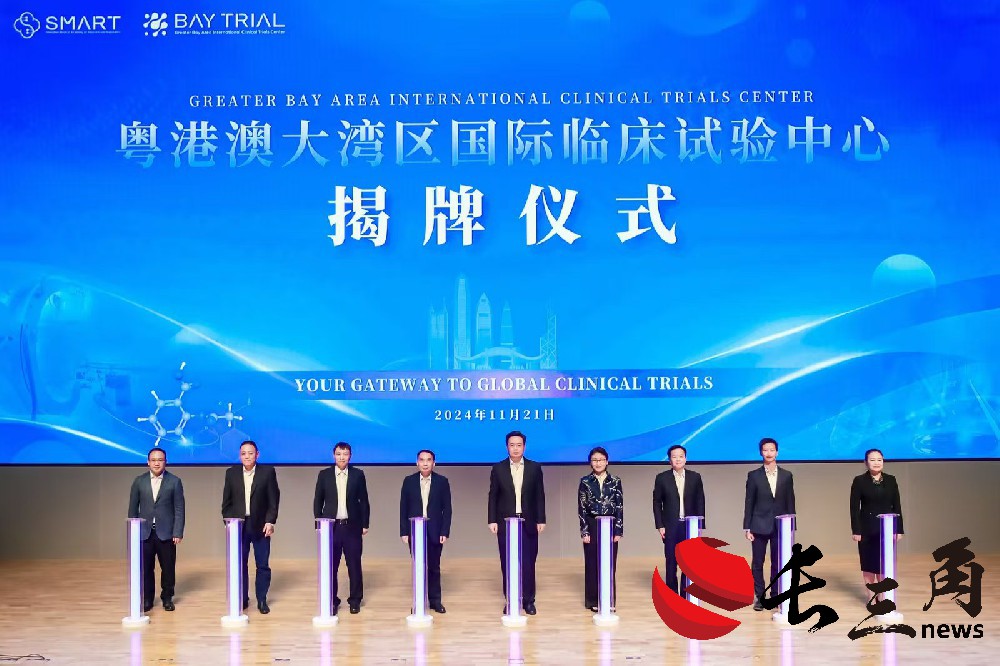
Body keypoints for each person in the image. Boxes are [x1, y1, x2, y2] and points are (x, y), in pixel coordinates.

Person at [487, 430, 546, 615]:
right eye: (512, 445)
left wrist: (541, 519)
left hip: (528, 521)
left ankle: (528, 601)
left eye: (519, 445)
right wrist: (492, 520)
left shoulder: (534, 467)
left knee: (528, 563)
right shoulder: (498, 468)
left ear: (524, 447)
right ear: (507, 447)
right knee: (508, 563)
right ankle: (511, 599)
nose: (515, 449)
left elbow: (539, 495)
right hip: (506, 523)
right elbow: (493, 496)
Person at [221, 440, 280, 614]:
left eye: (250, 453)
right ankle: (243, 599)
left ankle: (261, 599)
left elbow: (273, 500)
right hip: (239, 526)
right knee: (240, 564)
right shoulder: (231, 473)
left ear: (257, 454)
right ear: (240, 455)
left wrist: (270, 521)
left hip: (261, 526)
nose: (247, 456)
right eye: (243, 453)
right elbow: (226, 503)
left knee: (262, 565)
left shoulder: (267, 472)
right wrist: (229, 523)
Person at [314, 441, 370, 614]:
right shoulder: (324, 475)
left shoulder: (358, 474)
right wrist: (319, 524)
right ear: (334, 455)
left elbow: (364, 501)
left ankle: (355, 600)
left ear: (350, 456)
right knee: (331, 565)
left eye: (345, 454)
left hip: (352, 526)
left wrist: (365, 524)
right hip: (331, 528)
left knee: (354, 565)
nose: (342, 457)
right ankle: (332, 600)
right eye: (339, 454)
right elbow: (318, 501)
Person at [128, 446, 185, 612]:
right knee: (146, 568)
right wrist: (133, 532)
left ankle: (167, 598)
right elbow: (132, 509)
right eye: (153, 460)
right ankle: (147, 599)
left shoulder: (174, 481)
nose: (157, 463)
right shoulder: (139, 481)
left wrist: (177, 532)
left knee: (168, 568)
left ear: (166, 462)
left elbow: (179, 509)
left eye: (160, 460)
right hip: (144, 533)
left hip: (166, 533)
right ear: (148, 462)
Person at [743, 437, 795, 611]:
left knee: (778, 562)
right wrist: (747, 527)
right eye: (765, 450)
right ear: (761, 452)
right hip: (758, 525)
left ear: (777, 452)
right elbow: (749, 502)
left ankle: (775, 595)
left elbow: (790, 502)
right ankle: (760, 596)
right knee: (758, 562)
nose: (769, 453)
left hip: (780, 526)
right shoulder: (753, 475)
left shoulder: (787, 475)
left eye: (772, 450)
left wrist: (791, 527)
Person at [399, 449, 452, 613]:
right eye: (422, 460)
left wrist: (445, 531)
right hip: (415, 531)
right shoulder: (409, 481)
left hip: (435, 531)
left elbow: (447, 509)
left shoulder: (442, 481)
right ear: (417, 463)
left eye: (428, 460)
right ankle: (418, 601)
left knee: (434, 567)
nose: (425, 463)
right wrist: (404, 532)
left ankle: (435, 601)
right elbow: (403, 508)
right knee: (418, 566)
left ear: (434, 463)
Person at [652, 444, 706, 595]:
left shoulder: (695, 477)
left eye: (681, 456)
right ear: (669, 460)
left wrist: (700, 525)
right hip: (671, 526)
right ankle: (671, 594)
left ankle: (685, 593)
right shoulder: (662, 478)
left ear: (685, 459)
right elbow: (657, 503)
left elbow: (700, 501)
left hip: (690, 525)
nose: (678, 459)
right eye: (674, 457)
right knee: (671, 561)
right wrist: (660, 525)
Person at [850, 448, 904, 593]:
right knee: (868, 564)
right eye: (872, 460)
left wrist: (899, 529)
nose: (876, 463)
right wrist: (856, 530)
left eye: (879, 460)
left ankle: (882, 595)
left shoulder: (891, 480)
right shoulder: (859, 481)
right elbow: (854, 508)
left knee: (884, 564)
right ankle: (871, 596)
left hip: (886, 528)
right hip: (867, 529)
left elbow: (897, 506)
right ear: (866, 462)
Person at [578, 446, 623, 612]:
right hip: (592, 523)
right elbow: (582, 507)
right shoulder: (585, 481)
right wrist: (584, 530)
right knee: (592, 563)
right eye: (595, 460)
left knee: (610, 563)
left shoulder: (615, 481)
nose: (598, 463)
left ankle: (609, 600)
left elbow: (619, 506)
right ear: (590, 462)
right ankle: (593, 600)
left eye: (601, 460)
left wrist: (618, 530)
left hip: (610, 524)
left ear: (607, 461)